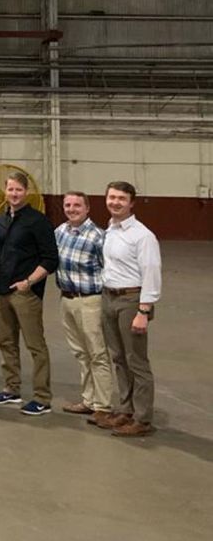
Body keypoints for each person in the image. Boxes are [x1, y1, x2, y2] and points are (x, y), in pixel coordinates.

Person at [0, 171, 60, 416]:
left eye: (19, 189)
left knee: (35, 345)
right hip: (1, 291)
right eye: (10, 189)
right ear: (5, 191)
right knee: (6, 342)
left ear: (26, 192)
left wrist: (28, 282)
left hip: (25, 293)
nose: (14, 194)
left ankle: (42, 397)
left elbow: (51, 259)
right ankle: (11, 388)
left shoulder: (38, 221)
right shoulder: (2, 220)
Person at [98, 181, 162, 438]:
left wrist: (144, 311)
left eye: (121, 199)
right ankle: (125, 409)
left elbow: (152, 272)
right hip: (109, 297)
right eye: (111, 197)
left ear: (131, 203)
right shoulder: (111, 229)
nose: (115, 202)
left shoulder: (142, 236)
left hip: (131, 300)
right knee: (118, 357)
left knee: (137, 361)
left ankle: (143, 418)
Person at [53, 191, 113, 424]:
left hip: (90, 300)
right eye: (68, 205)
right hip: (66, 299)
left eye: (77, 205)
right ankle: (88, 400)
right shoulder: (60, 232)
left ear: (87, 208)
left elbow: (107, 268)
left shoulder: (99, 236)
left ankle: (103, 406)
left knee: (97, 353)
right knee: (80, 352)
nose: (72, 209)